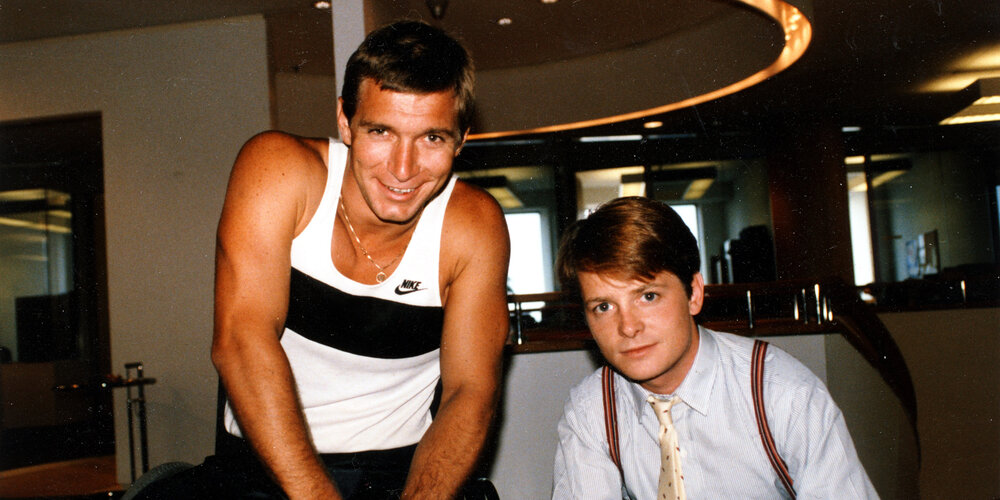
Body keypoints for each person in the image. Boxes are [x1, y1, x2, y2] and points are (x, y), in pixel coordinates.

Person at [137, 20, 510, 500]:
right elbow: (241, 338)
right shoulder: (280, 171)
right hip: (266, 472)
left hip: (405, 478)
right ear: (344, 121)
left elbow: (470, 392)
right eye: (381, 132)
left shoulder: (474, 226)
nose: (403, 168)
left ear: (461, 139)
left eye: (432, 139)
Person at [551, 197, 877, 499]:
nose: (628, 327)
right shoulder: (592, 410)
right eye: (604, 307)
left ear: (693, 293)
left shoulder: (781, 393)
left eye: (647, 296)